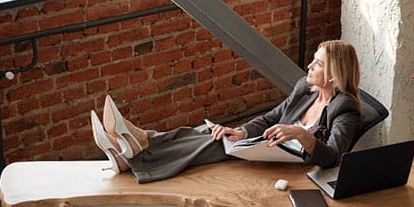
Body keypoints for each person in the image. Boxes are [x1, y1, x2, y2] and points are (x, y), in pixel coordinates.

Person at [90, 40, 362, 183]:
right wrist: (241, 131)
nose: (310, 66)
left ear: (334, 73)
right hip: (269, 147)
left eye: (318, 63)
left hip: (293, 163)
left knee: (215, 142)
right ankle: (134, 148)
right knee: (213, 132)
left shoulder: (345, 108)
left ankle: (137, 148)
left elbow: (334, 158)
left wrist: (303, 137)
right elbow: (272, 116)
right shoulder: (306, 89)